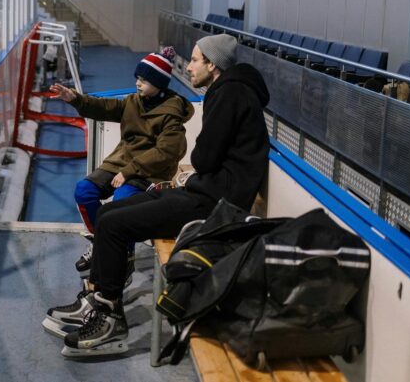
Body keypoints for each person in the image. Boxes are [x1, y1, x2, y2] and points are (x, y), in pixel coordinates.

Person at [47, 34, 271, 358]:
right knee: (109, 215)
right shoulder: (230, 91)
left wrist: (200, 160)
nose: (189, 66)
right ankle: (97, 302)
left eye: (194, 59)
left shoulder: (229, 94)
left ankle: (110, 319)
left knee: (114, 223)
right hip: (205, 192)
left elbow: (203, 158)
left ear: (212, 63)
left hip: (215, 206)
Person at [48, 47, 193, 284]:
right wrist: (75, 98)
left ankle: (121, 254)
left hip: (149, 171)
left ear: (159, 83)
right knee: (84, 191)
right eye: (137, 78)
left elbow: (167, 152)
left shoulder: (171, 114)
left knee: (121, 203)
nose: (138, 83)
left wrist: (129, 171)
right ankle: (102, 242)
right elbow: (105, 108)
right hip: (121, 163)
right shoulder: (133, 102)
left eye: (144, 80)